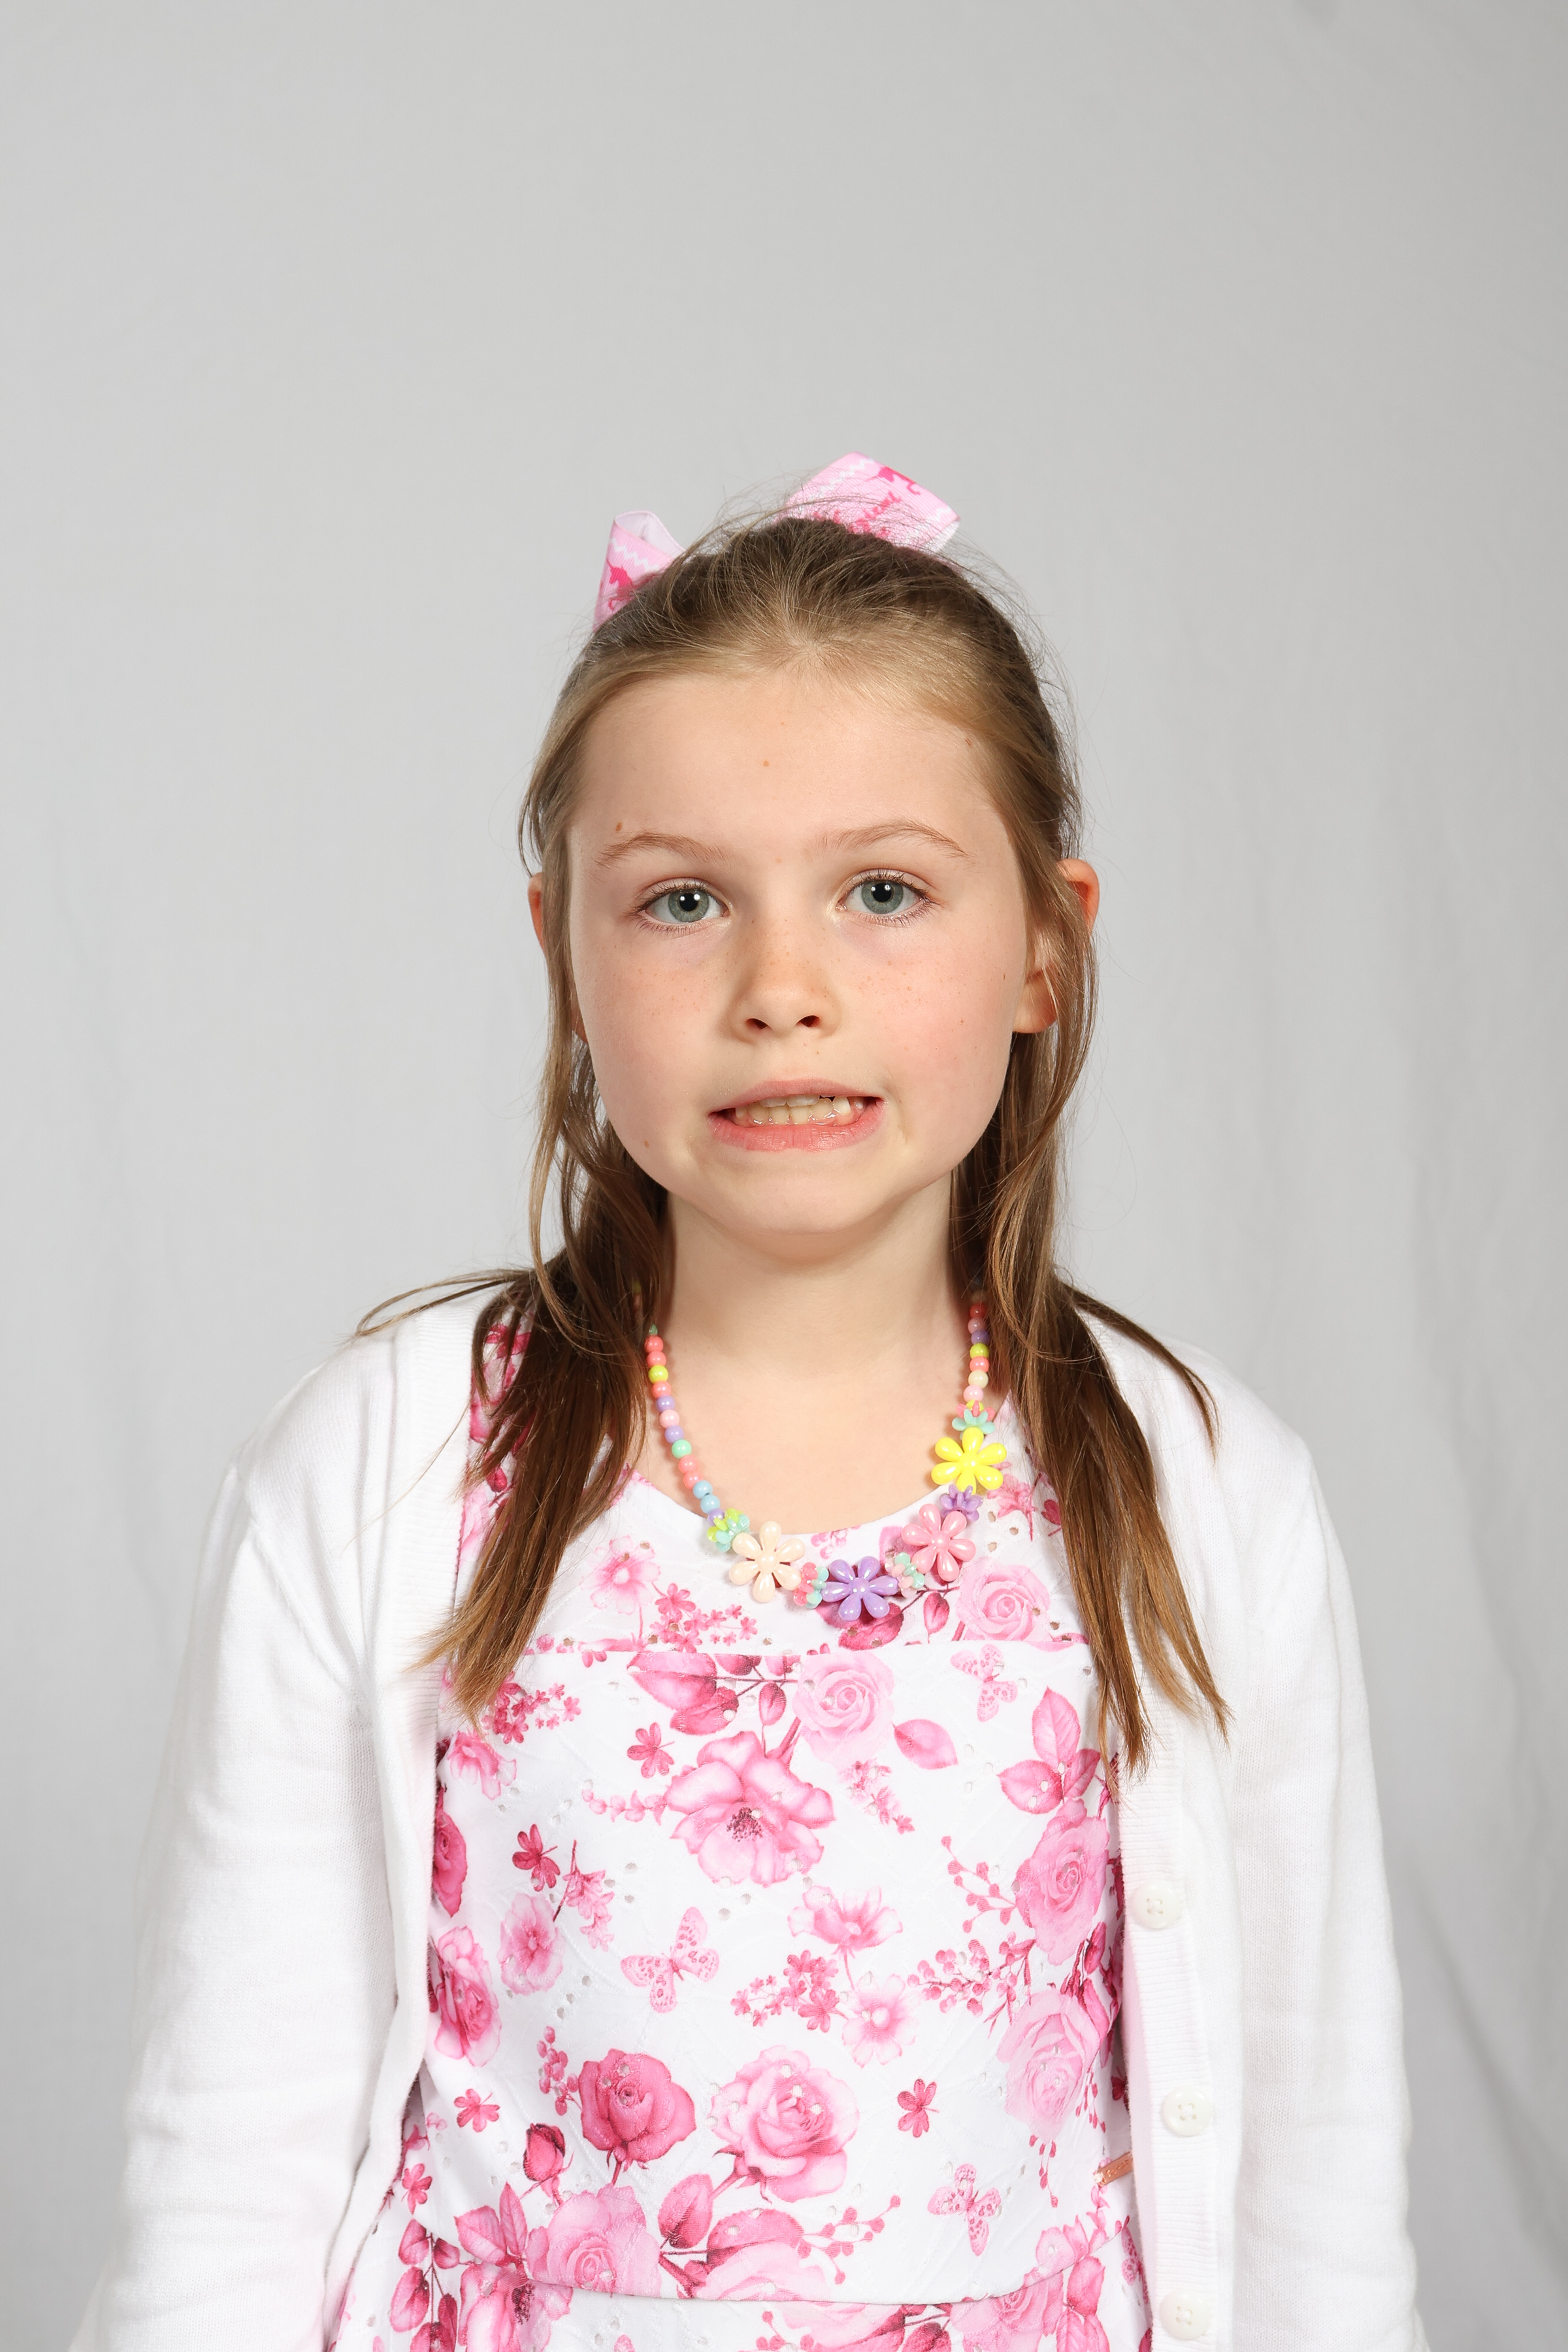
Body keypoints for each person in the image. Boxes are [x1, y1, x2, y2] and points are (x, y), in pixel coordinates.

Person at [73, 456, 1426, 2352]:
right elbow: (229, 2166)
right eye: (685, 900)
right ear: (561, 947)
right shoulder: (385, 1470)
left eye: (884, 891)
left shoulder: (1202, 1491)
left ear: (1046, 946)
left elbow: (1317, 2170)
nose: (783, 987)